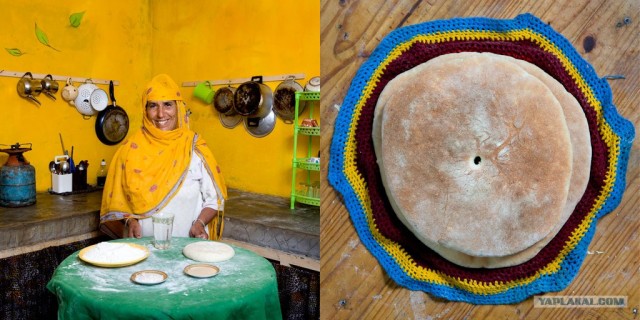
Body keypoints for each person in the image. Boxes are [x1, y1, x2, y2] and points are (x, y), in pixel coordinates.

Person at [99, 74, 227, 240]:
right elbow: (120, 201)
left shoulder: (194, 148)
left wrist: (200, 223)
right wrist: (130, 221)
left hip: (189, 248)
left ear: (178, 107)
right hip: (143, 251)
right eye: (153, 106)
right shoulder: (129, 151)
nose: (160, 114)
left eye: (167, 105)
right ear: (145, 110)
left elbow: (214, 199)